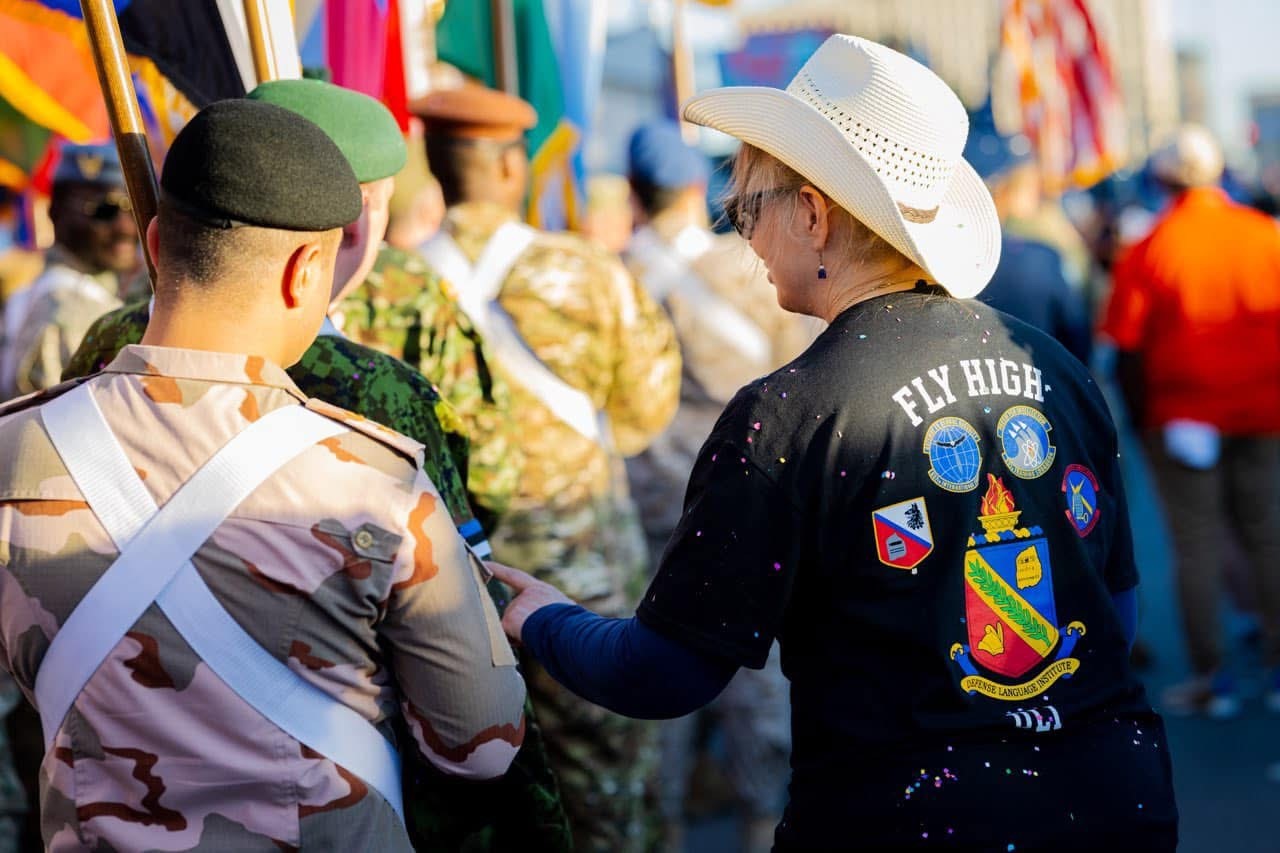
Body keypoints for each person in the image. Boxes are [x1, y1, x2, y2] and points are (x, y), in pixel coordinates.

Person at [490, 35, 1178, 852]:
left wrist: (543, 617)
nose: (745, 236)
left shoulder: (787, 414)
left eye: (748, 207)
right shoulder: (1056, 368)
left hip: (907, 822)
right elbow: (1113, 610)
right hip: (1113, 801)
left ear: (813, 213)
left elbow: (665, 671)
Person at [0, 98, 526, 851]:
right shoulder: (376, 482)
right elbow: (481, 746)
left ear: (155, 242)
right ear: (306, 269)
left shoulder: (14, 449)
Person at [413, 83, 682, 852]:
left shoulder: (388, 286)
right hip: (581, 584)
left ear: (435, 163)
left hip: (441, 592)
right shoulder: (588, 270)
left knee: (475, 810)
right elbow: (644, 412)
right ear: (511, 166)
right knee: (610, 795)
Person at [622, 119, 804, 853]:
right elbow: (801, 379)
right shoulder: (752, 269)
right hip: (748, 499)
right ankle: (761, 825)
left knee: (657, 667)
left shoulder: (612, 275)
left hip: (647, 505)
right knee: (758, 677)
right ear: (698, 186)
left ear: (633, 193)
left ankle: (666, 825)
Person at [1100, 123, 1280, 718]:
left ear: (1164, 179)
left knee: (1197, 546)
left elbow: (1125, 344)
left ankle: (1213, 677)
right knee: (1264, 535)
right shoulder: (1264, 234)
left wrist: (1140, 420)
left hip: (1183, 418)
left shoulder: (1155, 245)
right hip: (1262, 412)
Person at [0, 144, 138, 399]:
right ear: (56, 213)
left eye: (132, 209)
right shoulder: (68, 309)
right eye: (104, 210)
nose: (126, 227)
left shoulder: (35, 290)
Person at [965, 116, 1093, 365]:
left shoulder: (938, 258)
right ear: (1004, 190)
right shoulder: (1041, 258)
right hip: (1036, 380)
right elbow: (1077, 337)